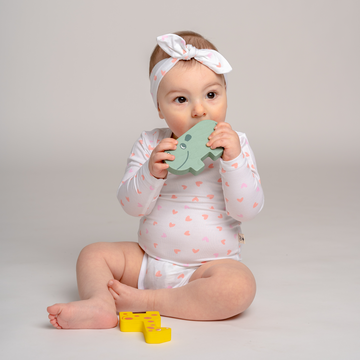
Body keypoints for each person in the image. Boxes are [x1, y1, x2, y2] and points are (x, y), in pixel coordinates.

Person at [47, 31, 264, 329]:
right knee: (92, 254)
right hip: (148, 261)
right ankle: (100, 302)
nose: (199, 109)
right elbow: (131, 205)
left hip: (206, 269)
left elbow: (247, 210)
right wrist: (151, 173)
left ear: (226, 94)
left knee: (238, 286)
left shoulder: (236, 145)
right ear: (160, 108)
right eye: (180, 99)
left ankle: (145, 302)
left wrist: (233, 161)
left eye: (211, 95)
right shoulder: (151, 144)